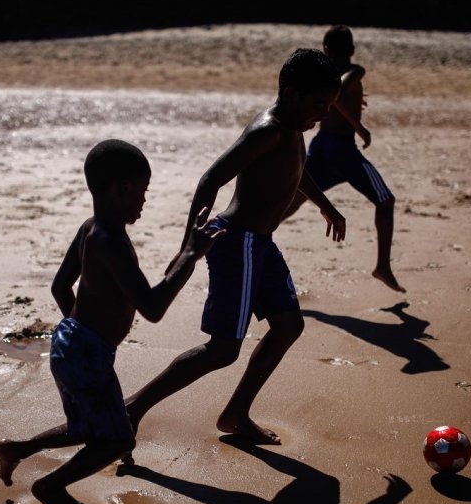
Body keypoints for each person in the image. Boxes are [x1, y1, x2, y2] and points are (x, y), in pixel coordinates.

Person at [121, 48, 347, 448]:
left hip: (261, 243)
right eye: (319, 105)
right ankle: (132, 408)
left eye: (329, 106)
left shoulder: (295, 129)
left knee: (289, 325)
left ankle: (235, 414)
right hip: (236, 242)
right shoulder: (269, 129)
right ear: (292, 94)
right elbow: (211, 179)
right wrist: (190, 242)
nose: (324, 115)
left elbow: (298, 170)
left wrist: (326, 206)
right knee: (223, 349)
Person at [0, 139, 223, 504]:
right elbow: (152, 308)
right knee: (118, 439)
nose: (144, 201)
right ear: (120, 188)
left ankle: (17, 449)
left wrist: (81, 332)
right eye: (142, 191)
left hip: (73, 342)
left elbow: (59, 287)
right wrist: (190, 254)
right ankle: (51, 487)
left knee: (89, 427)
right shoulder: (111, 242)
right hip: (84, 349)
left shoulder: (91, 229)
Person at [282, 26, 405, 293]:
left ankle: (258, 228)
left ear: (326, 49)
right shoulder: (355, 71)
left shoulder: (323, 78)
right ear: (352, 51)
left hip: (322, 146)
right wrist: (360, 128)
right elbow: (339, 90)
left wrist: (350, 103)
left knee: (296, 198)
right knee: (386, 200)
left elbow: (334, 95)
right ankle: (382, 266)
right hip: (342, 149)